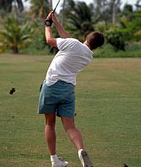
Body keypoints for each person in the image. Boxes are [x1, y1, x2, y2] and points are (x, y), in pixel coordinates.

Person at [38, 12, 104, 167]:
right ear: (96, 46)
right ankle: (80, 150)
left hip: (52, 85)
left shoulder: (73, 44)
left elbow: (49, 40)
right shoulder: (88, 55)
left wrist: (48, 25)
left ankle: (54, 160)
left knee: (50, 124)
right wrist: (56, 22)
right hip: (68, 90)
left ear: (87, 37)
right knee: (70, 126)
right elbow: (69, 39)